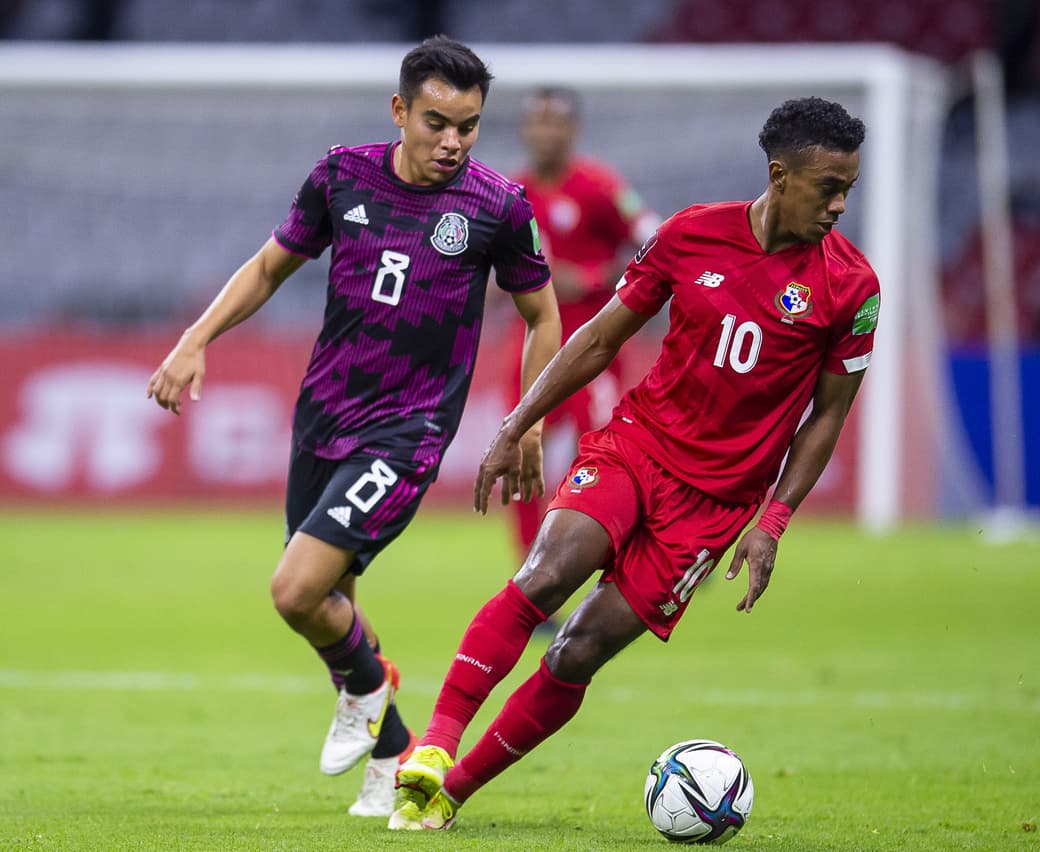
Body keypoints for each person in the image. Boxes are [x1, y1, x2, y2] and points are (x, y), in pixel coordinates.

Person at [388, 96, 879, 832]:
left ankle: (450, 793)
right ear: (780, 175)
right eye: (828, 187)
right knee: (545, 575)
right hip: (636, 446)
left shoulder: (853, 287)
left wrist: (773, 520)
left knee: (579, 651)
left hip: (714, 508)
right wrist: (518, 422)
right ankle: (433, 747)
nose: (840, 204)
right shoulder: (690, 235)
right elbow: (599, 337)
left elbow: (829, 413)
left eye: (849, 189)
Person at [145, 36, 560, 818]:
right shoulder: (342, 175)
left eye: (468, 127)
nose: (452, 142)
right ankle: (392, 751)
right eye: (437, 122)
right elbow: (270, 266)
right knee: (332, 601)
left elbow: (545, 315)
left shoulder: (497, 206)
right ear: (400, 111)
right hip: (324, 415)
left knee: (295, 591)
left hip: (410, 429)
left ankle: (368, 689)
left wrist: (528, 424)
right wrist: (195, 339)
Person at [505, 87, 661, 567]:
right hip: (533, 343)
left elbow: (654, 242)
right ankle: (531, 568)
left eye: (555, 121)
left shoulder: (600, 187)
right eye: (537, 121)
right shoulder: (512, 192)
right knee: (517, 448)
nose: (545, 131)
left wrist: (590, 279)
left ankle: (638, 549)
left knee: (606, 454)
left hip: (595, 343)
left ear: (572, 130)